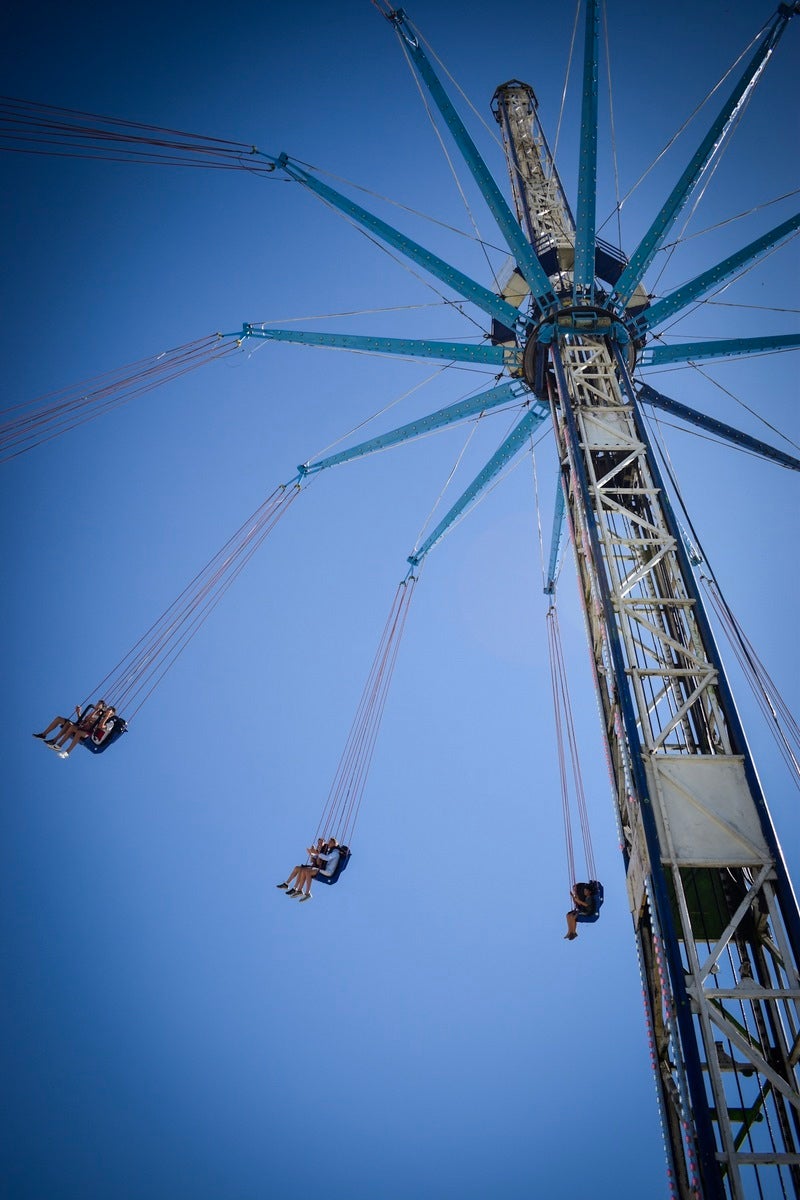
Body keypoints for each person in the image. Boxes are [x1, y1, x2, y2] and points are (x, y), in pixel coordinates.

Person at [33, 701, 113, 759]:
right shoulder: (94, 713)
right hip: (81, 727)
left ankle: (59, 745)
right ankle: (45, 736)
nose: (96, 705)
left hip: (88, 733)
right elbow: (82, 721)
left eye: (99, 705)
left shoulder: (104, 719)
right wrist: (78, 712)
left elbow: (98, 726)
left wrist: (103, 714)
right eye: (97, 704)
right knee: (60, 719)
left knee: (73, 727)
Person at [276, 838, 341, 902]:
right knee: (301, 869)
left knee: (305, 871)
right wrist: (311, 853)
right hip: (324, 870)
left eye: (330, 842)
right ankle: (298, 890)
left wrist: (317, 853)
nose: (328, 843)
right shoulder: (331, 852)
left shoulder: (335, 853)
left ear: (334, 843)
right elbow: (314, 859)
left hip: (328, 872)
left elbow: (326, 858)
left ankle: (305, 892)